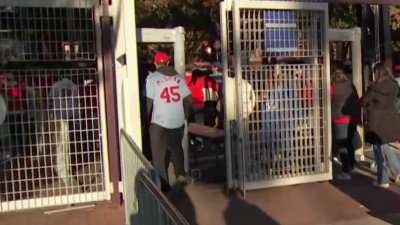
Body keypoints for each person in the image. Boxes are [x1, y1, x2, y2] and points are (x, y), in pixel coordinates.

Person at [145, 52, 193, 189]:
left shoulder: (152, 78)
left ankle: (164, 187)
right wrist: (184, 115)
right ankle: (181, 175)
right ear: (167, 63)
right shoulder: (179, 78)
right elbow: (189, 99)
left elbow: (149, 102)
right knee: (177, 149)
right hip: (177, 121)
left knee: (159, 157)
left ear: (155, 63)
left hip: (159, 123)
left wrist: (146, 121)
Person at [361, 62, 400, 188]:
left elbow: (363, 102)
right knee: (384, 146)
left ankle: (383, 179)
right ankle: (398, 170)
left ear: (376, 73)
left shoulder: (374, 88)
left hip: (376, 122)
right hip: (391, 120)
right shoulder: (394, 85)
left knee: (378, 147)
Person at [330, 69, 361, 180]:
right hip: (352, 118)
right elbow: (357, 100)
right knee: (349, 143)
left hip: (339, 119)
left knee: (342, 145)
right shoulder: (351, 86)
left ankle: (345, 171)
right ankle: (352, 165)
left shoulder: (332, 87)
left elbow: (327, 101)